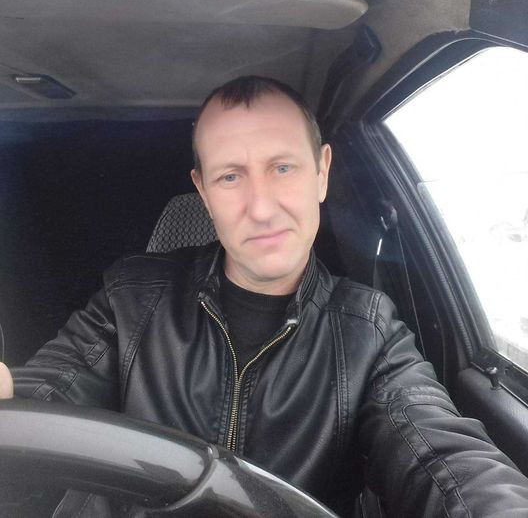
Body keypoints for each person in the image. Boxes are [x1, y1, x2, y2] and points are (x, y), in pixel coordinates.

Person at [1, 75, 528, 517]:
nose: (261, 207)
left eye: (282, 168)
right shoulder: (131, 298)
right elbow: (47, 396)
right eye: (231, 176)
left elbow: (442, 458)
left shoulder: (368, 332)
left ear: (321, 172)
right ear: (203, 191)